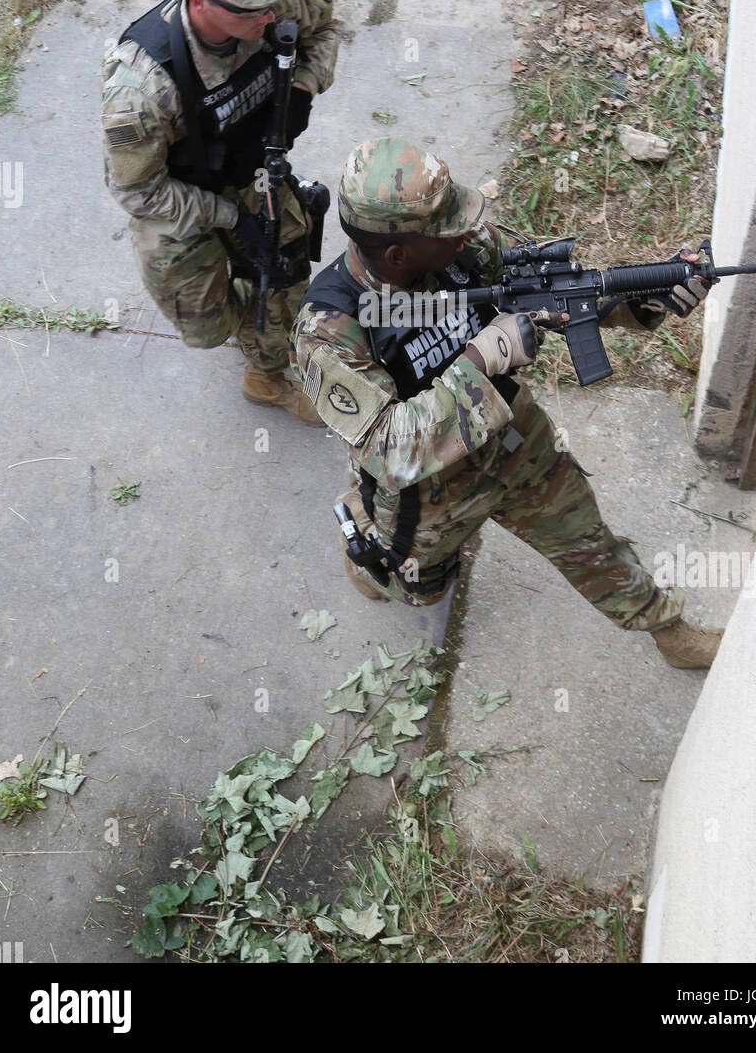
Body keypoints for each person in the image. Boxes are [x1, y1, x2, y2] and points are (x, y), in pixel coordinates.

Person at [292, 137, 723, 669]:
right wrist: (482, 356)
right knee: (421, 589)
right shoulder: (328, 332)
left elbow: (556, 293)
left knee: (585, 538)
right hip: (425, 495)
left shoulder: (466, 251)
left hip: (513, 438)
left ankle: (670, 631)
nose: (468, 232)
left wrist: (643, 299)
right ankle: (364, 539)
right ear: (398, 254)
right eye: (447, 228)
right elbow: (391, 450)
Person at [101, 0, 340, 423]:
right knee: (206, 326)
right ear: (199, 1)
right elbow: (138, 193)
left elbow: (326, 27)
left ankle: (268, 373)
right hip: (179, 202)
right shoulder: (142, 87)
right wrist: (232, 220)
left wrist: (301, 88)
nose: (270, 16)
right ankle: (247, 326)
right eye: (250, 8)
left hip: (253, 170)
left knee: (284, 272)